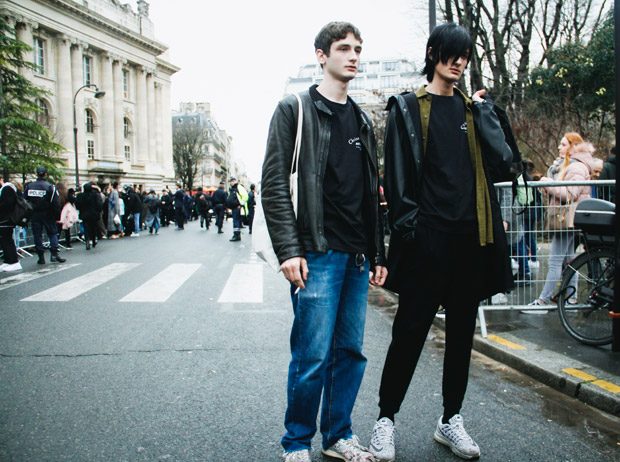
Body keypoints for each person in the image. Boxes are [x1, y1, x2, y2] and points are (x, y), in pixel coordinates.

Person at [369, 23, 514, 461]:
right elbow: (395, 180)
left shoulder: (475, 110)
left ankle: (450, 419)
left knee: (461, 337)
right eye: (451, 54)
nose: (459, 63)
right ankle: (385, 421)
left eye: (465, 55)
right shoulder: (408, 108)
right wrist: (413, 230)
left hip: (471, 241)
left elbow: (507, 164)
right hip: (427, 242)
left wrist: (491, 116)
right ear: (433, 54)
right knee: (409, 333)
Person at [262, 21, 387, 462]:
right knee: (312, 356)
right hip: (315, 251)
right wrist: (288, 250)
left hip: (355, 255)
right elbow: (274, 184)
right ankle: (296, 442)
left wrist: (378, 251)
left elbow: (371, 191)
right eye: (343, 48)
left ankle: (338, 436)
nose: (353, 56)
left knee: (350, 353)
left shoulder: (362, 118)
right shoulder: (294, 109)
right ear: (321, 55)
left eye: (358, 49)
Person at [528, 136, 596, 312]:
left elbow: (570, 193)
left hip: (567, 219)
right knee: (569, 260)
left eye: (563, 144)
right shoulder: (568, 165)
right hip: (566, 219)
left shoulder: (577, 167)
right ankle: (571, 300)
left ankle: (543, 301)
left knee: (555, 261)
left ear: (573, 147)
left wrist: (547, 183)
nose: (559, 146)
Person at [24, 166, 67, 264]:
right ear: (46, 174)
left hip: (35, 214)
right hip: (48, 214)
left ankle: (41, 257)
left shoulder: (29, 187)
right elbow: (55, 203)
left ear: (37, 174)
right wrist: (57, 216)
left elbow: (24, 201)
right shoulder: (50, 187)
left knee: (37, 235)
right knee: (52, 234)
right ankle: (54, 254)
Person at [0, 177, 22, 272]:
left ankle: (14, 261)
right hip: (5, 220)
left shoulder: (7, 188)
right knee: (5, 240)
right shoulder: (7, 188)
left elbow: (8, 204)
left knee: (7, 240)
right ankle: (8, 261)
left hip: (6, 220)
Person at [75, 182, 103, 250]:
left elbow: (77, 205)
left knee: (86, 228)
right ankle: (93, 240)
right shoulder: (95, 195)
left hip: (84, 214)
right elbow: (99, 204)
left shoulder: (80, 196)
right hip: (94, 214)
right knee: (93, 228)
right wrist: (98, 211)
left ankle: (87, 241)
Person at [227, 177, 248, 242]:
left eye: (233, 181)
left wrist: (241, 204)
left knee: (236, 222)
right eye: (230, 181)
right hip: (234, 207)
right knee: (235, 222)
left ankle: (236, 236)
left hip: (237, 207)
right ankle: (236, 235)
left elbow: (245, 196)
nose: (231, 182)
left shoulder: (239, 187)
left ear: (235, 181)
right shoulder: (233, 188)